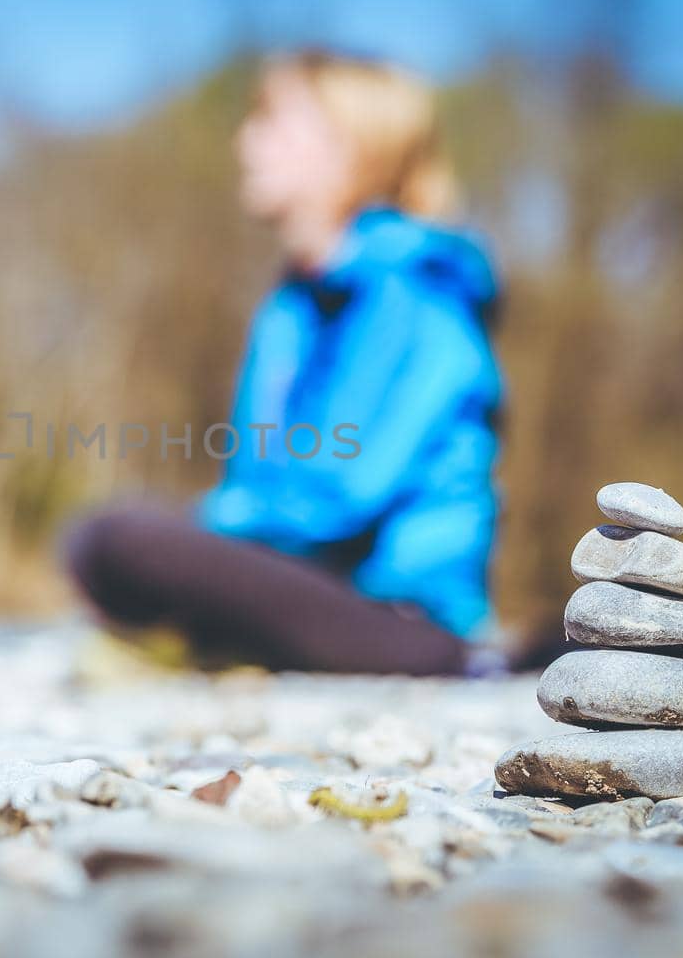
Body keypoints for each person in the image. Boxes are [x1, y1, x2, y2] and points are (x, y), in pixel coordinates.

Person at [64, 50, 504, 676]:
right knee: (100, 541)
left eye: (271, 121)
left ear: (352, 148)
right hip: (318, 583)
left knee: (123, 540)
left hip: (405, 617)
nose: (246, 141)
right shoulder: (291, 308)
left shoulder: (414, 293)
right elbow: (266, 479)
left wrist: (208, 532)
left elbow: (340, 489)